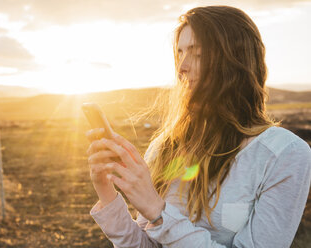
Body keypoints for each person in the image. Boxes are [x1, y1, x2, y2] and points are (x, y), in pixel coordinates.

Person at [85, 5, 311, 248]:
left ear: (236, 62)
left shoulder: (284, 154)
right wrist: (106, 193)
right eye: (180, 53)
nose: (181, 67)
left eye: (197, 53)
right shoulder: (165, 147)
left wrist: (157, 210)